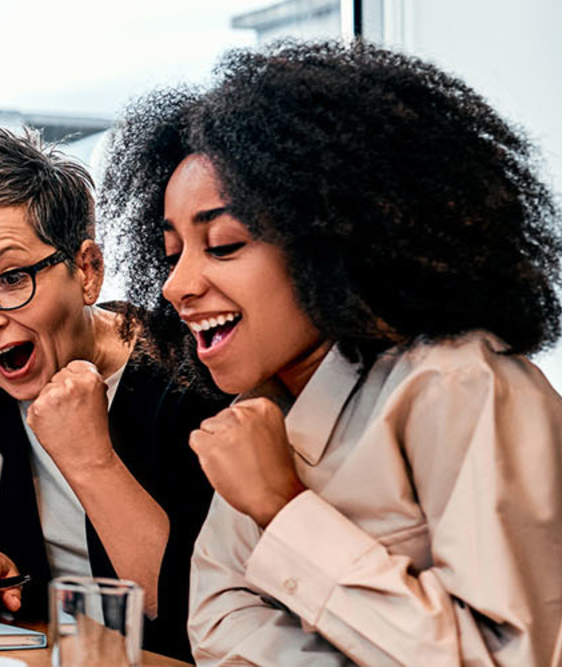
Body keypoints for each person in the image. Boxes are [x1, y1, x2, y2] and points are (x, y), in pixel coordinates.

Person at [99, 41, 562, 664]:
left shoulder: (459, 385)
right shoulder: (259, 410)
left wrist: (280, 507)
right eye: (173, 250)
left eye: (224, 244)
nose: (175, 285)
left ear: (331, 240)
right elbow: (215, 631)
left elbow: (510, 658)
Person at [0, 126, 225, 659]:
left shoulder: (198, 382)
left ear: (87, 271)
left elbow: (199, 607)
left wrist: (90, 460)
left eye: (11, 278)